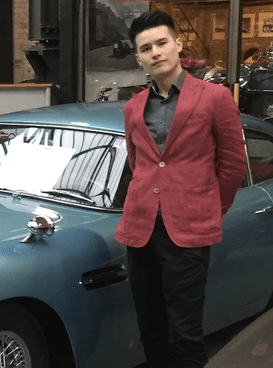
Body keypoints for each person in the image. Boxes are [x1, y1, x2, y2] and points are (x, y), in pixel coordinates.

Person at [115, 10, 247, 368]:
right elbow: (136, 161)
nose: (155, 52)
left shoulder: (214, 97)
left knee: (185, 330)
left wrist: (208, 209)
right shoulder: (133, 107)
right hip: (140, 229)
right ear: (139, 57)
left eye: (161, 43)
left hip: (187, 232)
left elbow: (234, 164)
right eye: (146, 48)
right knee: (150, 327)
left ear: (177, 44)